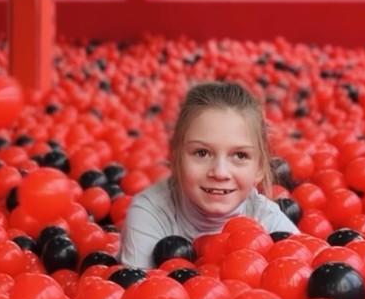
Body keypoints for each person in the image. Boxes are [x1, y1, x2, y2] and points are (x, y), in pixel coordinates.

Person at [119, 81, 298, 269]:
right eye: (202, 153)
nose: (220, 173)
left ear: (260, 167)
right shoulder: (150, 213)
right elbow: (142, 293)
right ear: (177, 158)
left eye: (239, 155)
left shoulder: (267, 219)